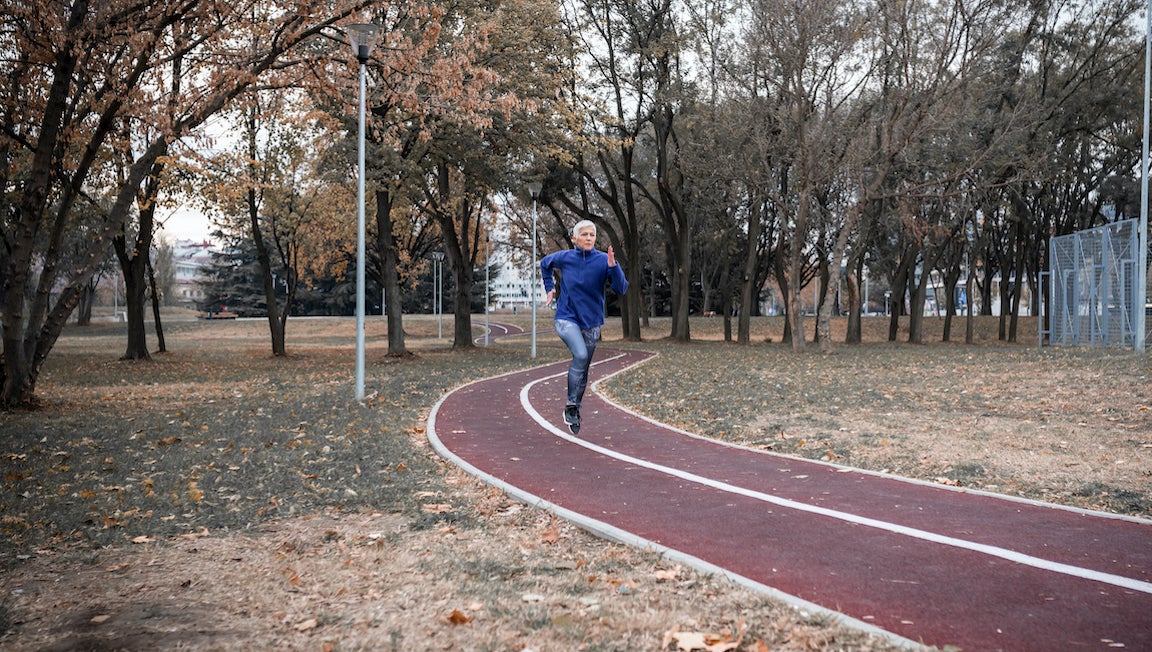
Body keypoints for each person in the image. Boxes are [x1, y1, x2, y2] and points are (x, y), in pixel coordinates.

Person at [540, 220, 629, 434]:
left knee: (584, 369)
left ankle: (575, 409)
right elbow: (545, 264)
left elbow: (621, 288)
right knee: (580, 355)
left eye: (592, 235)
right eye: (584, 234)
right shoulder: (565, 257)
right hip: (566, 317)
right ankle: (571, 405)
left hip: (592, 322)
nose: (589, 238)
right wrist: (550, 288)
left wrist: (613, 267)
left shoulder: (602, 260)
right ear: (575, 238)